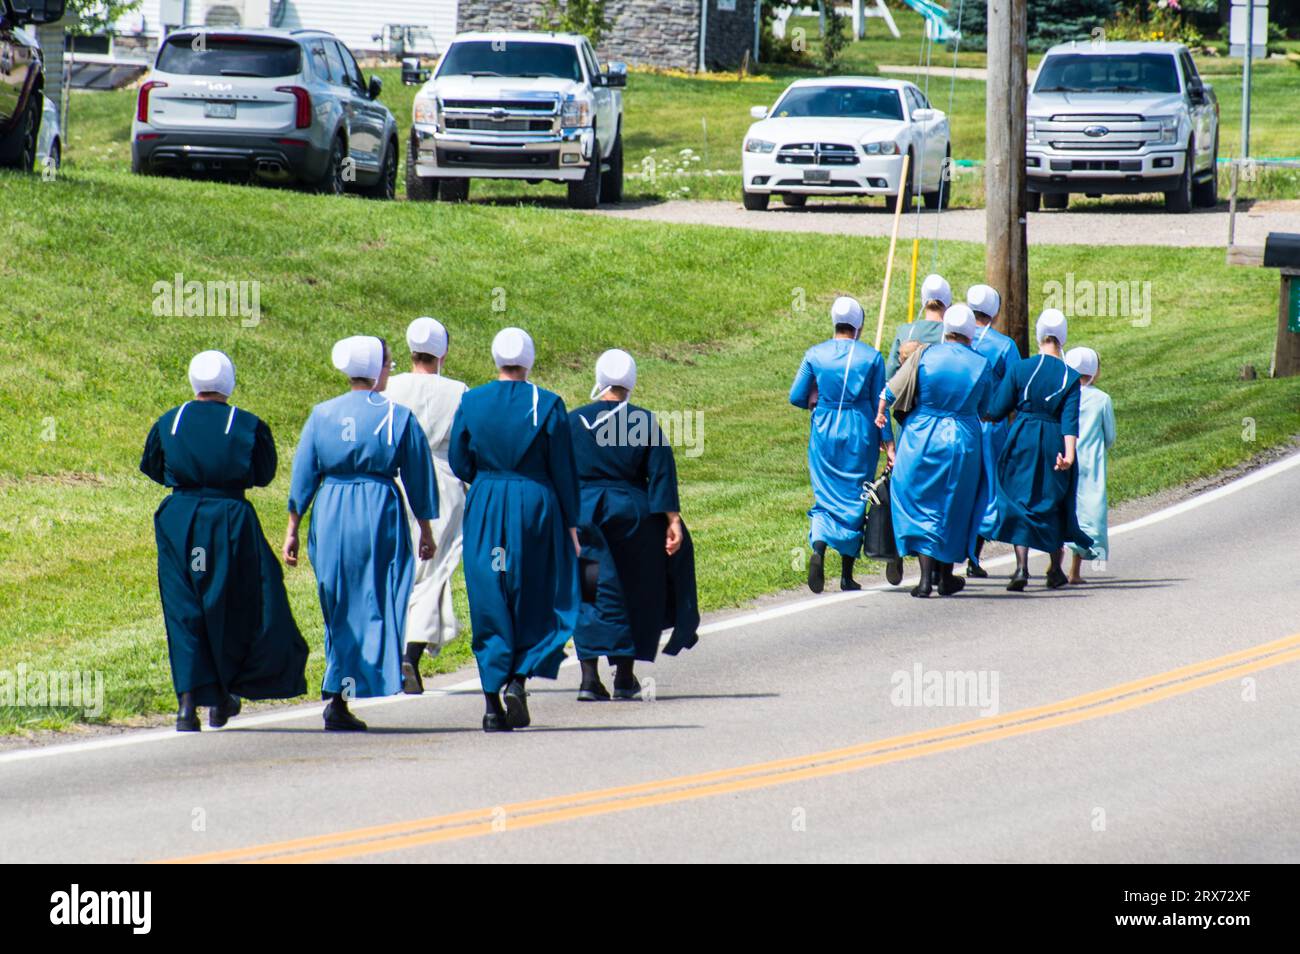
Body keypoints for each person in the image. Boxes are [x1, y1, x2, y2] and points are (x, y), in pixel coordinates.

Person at [141, 351, 308, 732]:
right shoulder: (245, 423)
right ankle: (226, 690)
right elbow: (263, 474)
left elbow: (152, 465)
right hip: (230, 515)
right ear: (229, 383)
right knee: (236, 602)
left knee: (184, 607)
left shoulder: (172, 421)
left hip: (179, 517)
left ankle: (188, 704)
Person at [285, 336, 438, 731]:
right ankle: (365, 678)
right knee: (377, 594)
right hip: (377, 508)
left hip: (331, 509)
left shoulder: (322, 414)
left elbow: (304, 473)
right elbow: (418, 477)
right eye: (387, 364)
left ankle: (337, 689)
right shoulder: (396, 416)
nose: (389, 370)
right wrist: (425, 528)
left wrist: (292, 529)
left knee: (337, 599)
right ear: (376, 370)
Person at [450, 327, 581, 732]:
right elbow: (563, 468)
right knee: (533, 590)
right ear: (529, 360)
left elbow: (458, 458)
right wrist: (573, 522)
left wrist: (487, 476)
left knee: (490, 591)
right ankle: (519, 678)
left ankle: (491, 703)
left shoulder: (471, 401)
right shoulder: (548, 403)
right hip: (534, 500)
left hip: (488, 497)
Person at [568, 349, 699, 702]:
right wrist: (672, 519)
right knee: (632, 590)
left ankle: (588, 678)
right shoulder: (642, 421)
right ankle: (624, 677)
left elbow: (560, 473)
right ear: (631, 383)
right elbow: (660, 475)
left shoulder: (573, 420)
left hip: (585, 514)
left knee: (589, 588)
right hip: (632, 517)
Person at [877, 304, 994, 598]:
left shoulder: (924, 355)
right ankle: (946, 576)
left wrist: (882, 419)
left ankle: (925, 578)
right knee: (954, 504)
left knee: (918, 500)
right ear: (970, 332)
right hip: (963, 440)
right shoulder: (981, 363)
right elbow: (987, 408)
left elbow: (890, 391)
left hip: (921, 435)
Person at [384, 317, 469, 694]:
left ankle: (393, 655)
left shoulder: (391, 388)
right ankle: (410, 656)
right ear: (443, 352)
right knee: (433, 572)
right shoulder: (458, 390)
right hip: (444, 484)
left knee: (400, 567)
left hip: (398, 481)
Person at [789, 296, 895, 593]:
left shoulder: (815, 354)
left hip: (824, 426)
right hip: (859, 428)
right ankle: (847, 575)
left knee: (826, 494)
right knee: (855, 495)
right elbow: (880, 405)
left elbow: (796, 395)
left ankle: (819, 550)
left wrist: (817, 398)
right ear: (859, 325)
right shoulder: (872, 357)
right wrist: (889, 445)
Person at [983, 309, 1093, 591]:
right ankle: (1055, 568)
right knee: (1053, 500)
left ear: (1038, 334)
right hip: (1054, 439)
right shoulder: (1070, 376)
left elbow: (996, 410)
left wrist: (981, 411)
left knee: (1020, 498)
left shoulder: (1021, 368)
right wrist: (1068, 456)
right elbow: (1070, 420)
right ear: (1063, 337)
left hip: (1022, 436)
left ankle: (1021, 567)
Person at [964, 283, 1022, 578]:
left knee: (963, 486)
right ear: (995, 313)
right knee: (989, 489)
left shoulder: (958, 340)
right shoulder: (1003, 346)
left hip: (960, 424)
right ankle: (975, 554)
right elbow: (1018, 387)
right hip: (991, 427)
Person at [1062, 346, 1115, 584]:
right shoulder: (1102, 400)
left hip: (1064, 459)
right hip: (1091, 463)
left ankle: (1055, 564)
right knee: (1088, 514)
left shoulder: (1063, 396)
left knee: (1064, 508)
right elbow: (1110, 436)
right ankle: (1075, 570)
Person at [885, 274, 951, 378]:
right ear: (949, 300)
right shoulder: (952, 334)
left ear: (923, 300)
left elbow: (889, 375)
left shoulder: (905, 331)